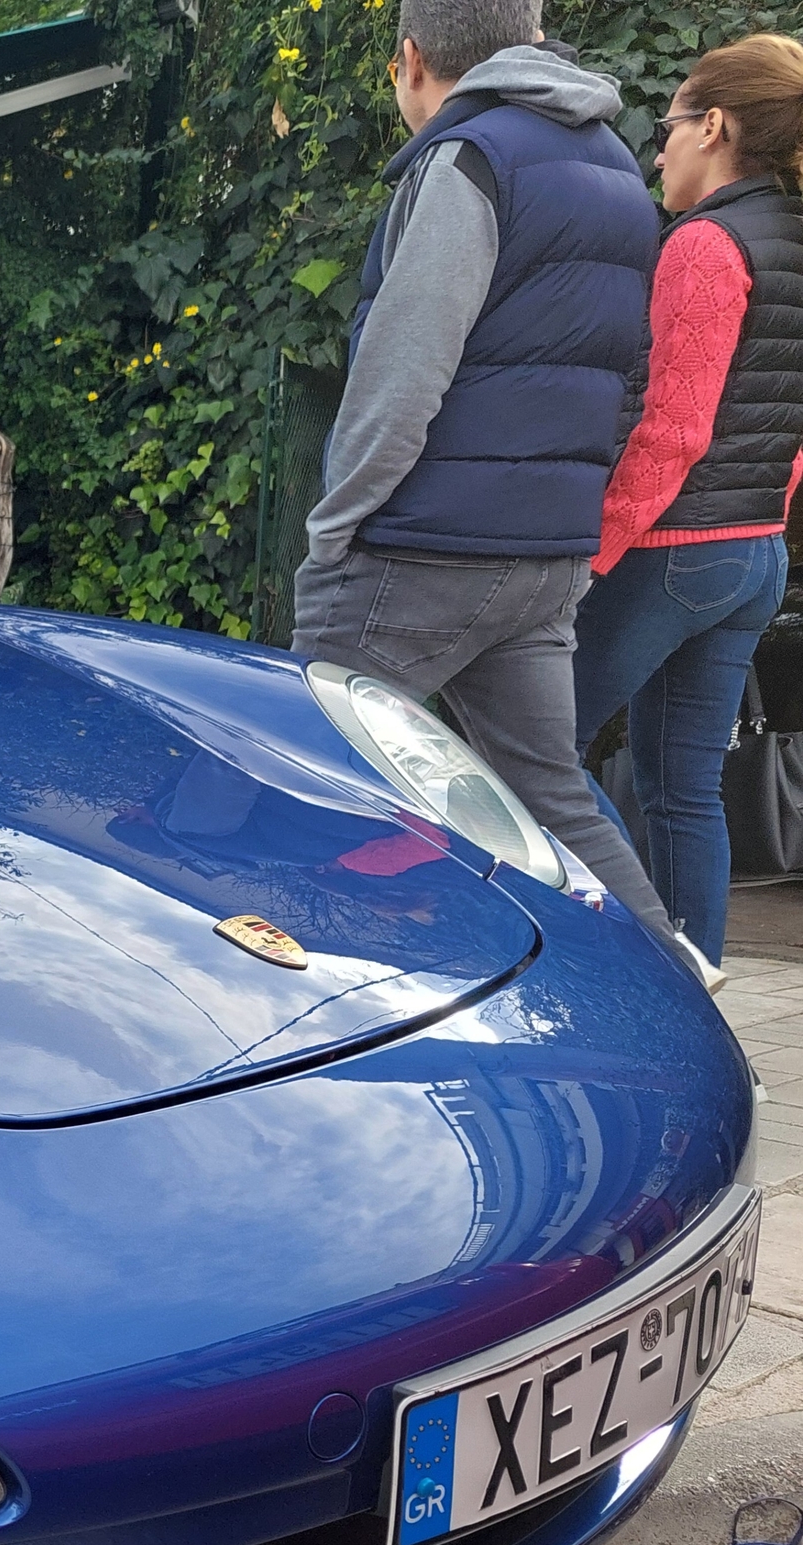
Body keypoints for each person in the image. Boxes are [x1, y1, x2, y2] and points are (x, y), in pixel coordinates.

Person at [290, 1, 695, 972]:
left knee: (311, 776)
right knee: (552, 799)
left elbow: (402, 368)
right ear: (535, 35)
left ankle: (283, 1026)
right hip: (541, 558)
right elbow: (621, 373)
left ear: (410, 60)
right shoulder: (609, 168)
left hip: (420, 551)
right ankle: (689, 1003)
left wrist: (334, 526)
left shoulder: (467, 158)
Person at [572, 33, 803, 967]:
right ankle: (698, 991)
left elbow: (672, 432)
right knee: (682, 789)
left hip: (676, 547)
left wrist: (594, 552)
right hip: (756, 553)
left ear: (715, 126)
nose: (656, 147)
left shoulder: (707, 245)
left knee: (536, 750)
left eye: (667, 125)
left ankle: (623, 960)